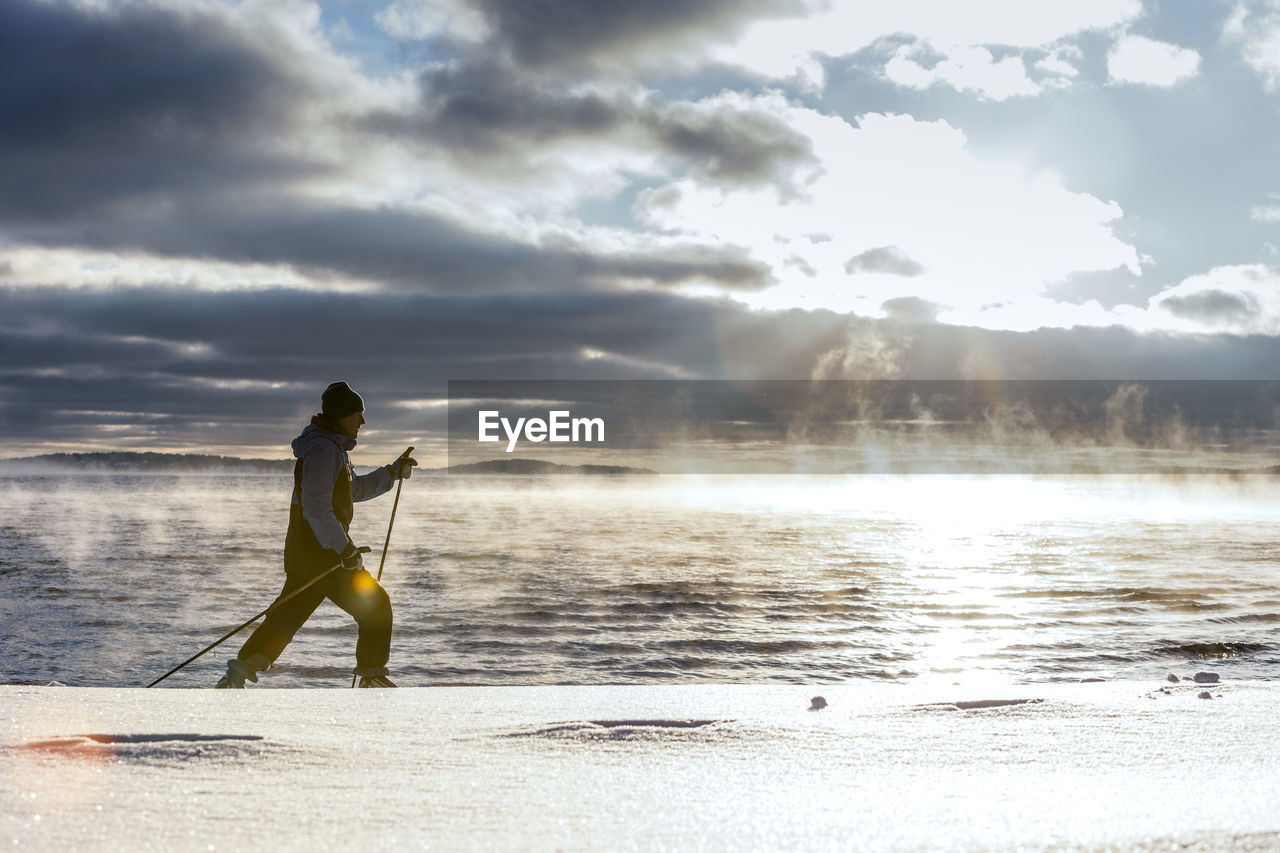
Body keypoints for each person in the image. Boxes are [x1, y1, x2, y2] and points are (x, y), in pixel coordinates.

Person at [216, 381, 417, 688]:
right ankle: (372, 677)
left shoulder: (331, 448)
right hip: (320, 551)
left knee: (288, 615)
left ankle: (237, 674)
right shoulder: (324, 450)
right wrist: (344, 550)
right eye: (356, 415)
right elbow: (316, 507)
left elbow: (353, 491)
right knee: (376, 605)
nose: (362, 422)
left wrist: (391, 472)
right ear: (340, 417)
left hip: (307, 549)